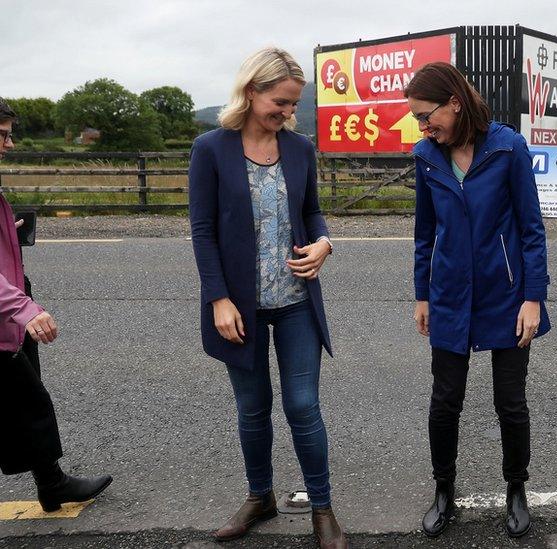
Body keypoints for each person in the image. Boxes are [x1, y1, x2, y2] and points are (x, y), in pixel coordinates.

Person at [188, 48, 347, 549]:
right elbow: (203, 230)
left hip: (297, 300)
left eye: (293, 104)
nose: (287, 113)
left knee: (303, 406)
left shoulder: (299, 149)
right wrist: (218, 298)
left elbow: (314, 212)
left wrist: (324, 242)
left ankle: (322, 511)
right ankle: (261, 497)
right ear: (252, 91)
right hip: (240, 307)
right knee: (252, 408)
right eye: (280, 102)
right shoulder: (211, 148)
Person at [405, 62, 551, 538]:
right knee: (445, 401)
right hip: (448, 295)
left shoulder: (508, 148)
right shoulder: (426, 155)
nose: (424, 127)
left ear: (454, 102)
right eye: (417, 121)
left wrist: (533, 298)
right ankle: (444, 489)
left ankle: (516, 488)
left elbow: (531, 230)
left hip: (507, 296)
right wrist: (422, 294)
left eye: (427, 116)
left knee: (510, 401)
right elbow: (425, 233)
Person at [0, 97, 113, 512]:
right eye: (2, 135)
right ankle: (53, 484)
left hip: (9, 305)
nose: (9, 144)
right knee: (29, 402)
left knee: (27, 403)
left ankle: (51, 484)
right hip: (8, 307)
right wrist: (27, 310)